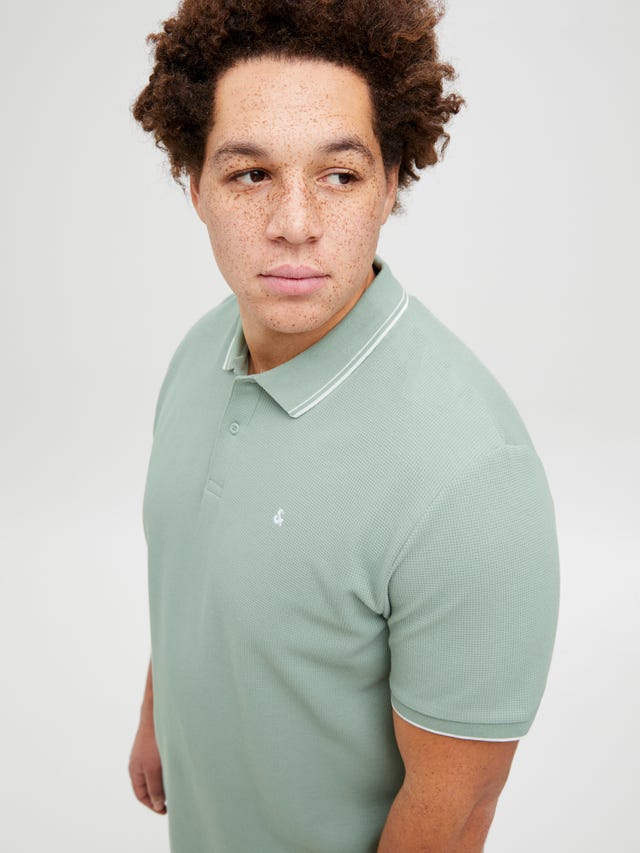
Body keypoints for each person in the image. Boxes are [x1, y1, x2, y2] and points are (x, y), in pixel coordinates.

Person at [128, 1, 560, 851]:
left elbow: (455, 812)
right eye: (250, 174)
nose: (294, 223)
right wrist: (158, 715)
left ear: (391, 182)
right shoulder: (200, 351)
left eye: (339, 175)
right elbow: (193, 569)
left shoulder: (473, 480)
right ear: (195, 186)